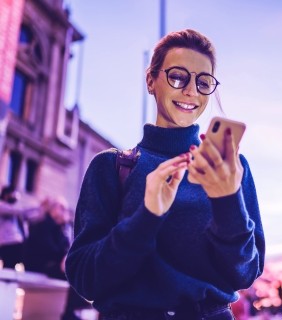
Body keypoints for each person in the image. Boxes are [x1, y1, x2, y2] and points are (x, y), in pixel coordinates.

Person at [65, 29, 265, 320]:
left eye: (203, 81)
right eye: (177, 77)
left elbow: (244, 273)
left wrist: (228, 202)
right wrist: (146, 216)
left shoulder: (232, 170)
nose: (191, 91)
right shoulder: (112, 167)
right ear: (151, 80)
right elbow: (86, 279)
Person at [24, 197, 89, 320]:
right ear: (52, 209)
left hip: (50, 264)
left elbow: (65, 247)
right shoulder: (43, 223)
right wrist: (63, 257)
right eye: (61, 208)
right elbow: (46, 248)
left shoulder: (60, 228)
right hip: (38, 264)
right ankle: (69, 312)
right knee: (70, 270)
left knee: (73, 268)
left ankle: (70, 310)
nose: (64, 212)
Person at [0, 185, 36, 268]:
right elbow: (18, 211)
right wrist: (38, 207)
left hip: (18, 242)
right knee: (9, 265)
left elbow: (29, 216)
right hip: (7, 243)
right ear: (6, 195)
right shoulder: (2, 205)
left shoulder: (15, 210)